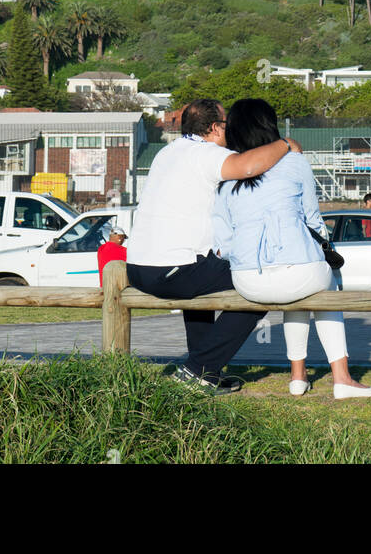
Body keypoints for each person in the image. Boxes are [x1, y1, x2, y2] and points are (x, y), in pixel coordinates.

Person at [125, 98, 300, 393]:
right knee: (262, 286)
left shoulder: (167, 153)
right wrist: (285, 144)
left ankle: (207, 373)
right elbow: (247, 166)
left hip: (138, 268)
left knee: (202, 277)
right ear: (215, 128)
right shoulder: (204, 154)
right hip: (172, 269)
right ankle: (198, 370)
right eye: (226, 124)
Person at [212, 99, 371, 400]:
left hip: (248, 280)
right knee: (322, 286)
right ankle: (342, 378)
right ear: (269, 126)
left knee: (298, 293)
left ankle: (298, 376)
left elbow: (223, 240)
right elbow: (313, 219)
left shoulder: (228, 175)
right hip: (298, 272)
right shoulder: (295, 161)